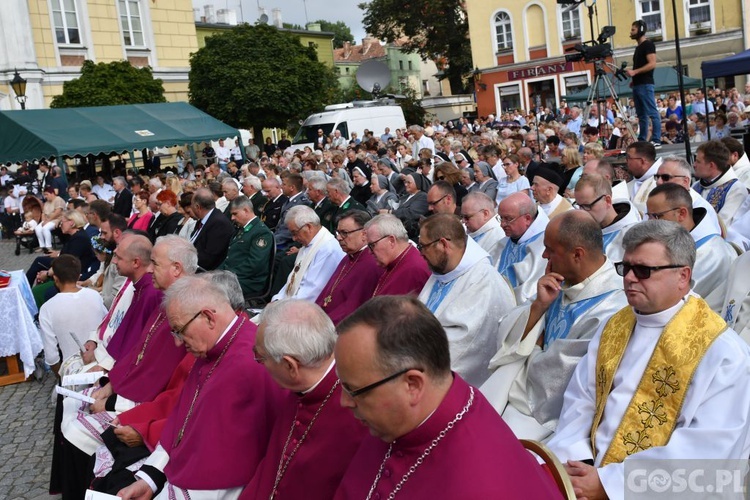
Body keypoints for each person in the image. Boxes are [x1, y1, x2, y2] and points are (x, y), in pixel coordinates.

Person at [547, 221, 750, 500]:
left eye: (643, 270)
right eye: (625, 268)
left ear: (683, 276)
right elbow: (581, 400)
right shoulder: (614, 326)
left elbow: (708, 450)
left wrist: (610, 485)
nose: (629, 278)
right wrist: (577, 462)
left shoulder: (723, 353)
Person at [332, 296, 563, 499]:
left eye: (354, 390)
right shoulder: (405, 416)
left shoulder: (479, 487)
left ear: (412, 385)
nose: (344, 401)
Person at [116, 276, 284, 500]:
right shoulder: (211, 350)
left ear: (208, 317)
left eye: (179, 331)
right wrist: (150, 480)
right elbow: (182, 422)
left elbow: (240, 457)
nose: (178, 342)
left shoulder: (252, 363)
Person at [482, 211, 628, 441]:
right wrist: (539, 306)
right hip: (517, 390)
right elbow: (508, 326)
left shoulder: (612, 308)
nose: (544, 255)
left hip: (543, 418)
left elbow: (558, 377)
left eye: (550, 249)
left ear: (577, 254)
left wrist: (535, 349)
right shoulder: (562, 279)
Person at [241, 300, 368, 500]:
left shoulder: (360, 413)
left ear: (291, 366)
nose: (260, 365)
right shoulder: (301, 387)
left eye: (261, 358)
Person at [417, 214, 515, 386]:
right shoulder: (443, 271)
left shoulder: (483, 282)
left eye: (423, 246)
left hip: (451, 381)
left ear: (443, 244)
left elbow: (465, 345)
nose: (421, 253)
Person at [646, 183, 736, 312]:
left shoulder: (713, 253)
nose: (650, 223)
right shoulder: (670, 242)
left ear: (681, 213)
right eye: (648, 216)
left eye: (656, 216)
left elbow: (677, 300)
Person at [39, 255, 107, 376]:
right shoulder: (94, 296)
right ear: (78, 275)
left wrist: (61, 377)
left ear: (55, 278)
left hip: (73, 371)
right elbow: (107, 326)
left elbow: (51, 356)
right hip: (101, 364)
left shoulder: (47, 308)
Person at [314, 211, 383, 325]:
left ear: (364, 234)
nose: (339, 238)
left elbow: (354, 308)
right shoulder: (348, 257)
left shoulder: (372, 263)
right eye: (338, 232)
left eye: (344, 233)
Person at [271, 206, 344, 302]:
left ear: (308, 227)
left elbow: (311, 293)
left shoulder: (327, 249)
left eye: (295, 233)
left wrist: (281, 306)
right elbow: (292, 280)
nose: (294, 238)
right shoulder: (308, 244)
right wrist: (277, 299)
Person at [494, 192, 550, 304]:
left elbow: (528, 293)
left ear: (527, 219)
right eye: (501, 218)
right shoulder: (508, 239)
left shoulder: (543, 246)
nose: (502, 225)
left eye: (508, 219)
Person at [574, 174, 640, 261]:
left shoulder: (633, 236)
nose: (582, 212)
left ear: (607, 201)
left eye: (587, 206)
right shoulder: (583, 227)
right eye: (579, 205)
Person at [218, 196, 274, 298]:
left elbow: (255, 264)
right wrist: (216, 273)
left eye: (235, 214)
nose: (232, 218)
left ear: (246, 210)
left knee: (213, 288)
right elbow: (229, 257)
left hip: (250, 281)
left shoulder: (261, 232)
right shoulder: (243, 229)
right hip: (235, 276)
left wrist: (227, 275)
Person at [364, 214, 430, 296]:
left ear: (391, 241)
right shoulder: (392, 263)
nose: (370, 252)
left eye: (372, 245)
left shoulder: (415, 269)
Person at [692, 140, 748, 226]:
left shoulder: (736, 190)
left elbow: (723, 226)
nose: (694, 165)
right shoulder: (696, 185)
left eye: (698, 161)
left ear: (711, 165)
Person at [626, 20, 661, 147]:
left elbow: (652, 64)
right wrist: (634, 79)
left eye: (633, 30)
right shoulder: (639, 47)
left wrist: (635, 72)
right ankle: (642, 139)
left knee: (652, 112)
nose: (631, 32)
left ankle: (656, 139)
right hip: (638, 84)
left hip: (645, 84)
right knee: (641, 115)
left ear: (640, 29)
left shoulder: (648, 45)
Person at [189, 187, 235, 270]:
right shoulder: (203, 220)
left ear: (197, 207)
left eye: (191, 205)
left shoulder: (219, 223)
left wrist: (186, 262)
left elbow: (209, 258)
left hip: (206, 274)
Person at [460, 191, 504, 258]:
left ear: (485, 214)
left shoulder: (499, 237)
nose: (463, 221)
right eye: (462, 216)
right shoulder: (468, 229)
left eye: (467, 217)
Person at [274, 173, 311, 251]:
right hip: (279, 237)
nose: (281, 186)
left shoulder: (301, 203)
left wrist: (273, 239)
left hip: (288, 242)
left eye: (284, 184)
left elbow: (291, 230)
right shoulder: (288, 201)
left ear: (292, 187)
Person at [625, 141, 661, 215]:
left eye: (629, 158)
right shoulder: (630, 183)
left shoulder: (662, 181)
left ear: (642, 161)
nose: (626, 162)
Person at [36, 186, 65, 253]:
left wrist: (47, 221)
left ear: (52, 193)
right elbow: (43, 213)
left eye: (47, 194)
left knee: (45, 228)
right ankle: (42, 246)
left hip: (57, 219)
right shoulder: (46, 203)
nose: (45, 196)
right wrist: (43, 221)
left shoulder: (58, 200)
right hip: (47, 220)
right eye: (44, 195)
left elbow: (58, 212)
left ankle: (48, 247)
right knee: (37, 228)